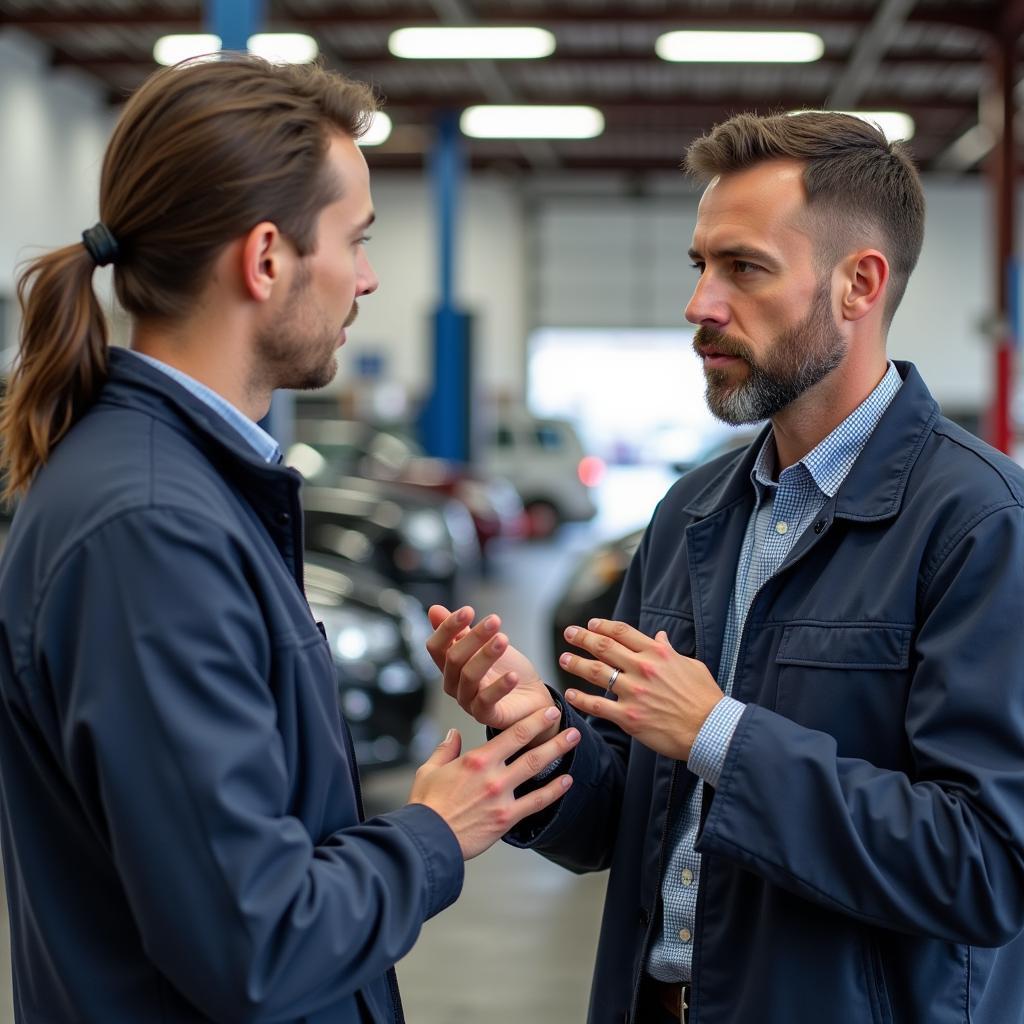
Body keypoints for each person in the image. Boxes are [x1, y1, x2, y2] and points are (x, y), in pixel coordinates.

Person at [0, 55, 579, 1024]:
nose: (366, 275)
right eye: (354, 238)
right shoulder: (152, 529)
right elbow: (254, 942)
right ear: (266, 257)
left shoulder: (180, 489)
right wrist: (434, 830)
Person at [427, 110, 1024, 1023]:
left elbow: (984, 867)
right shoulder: (691, 515)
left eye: (743, 267)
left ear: (857, 284)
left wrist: (721, 734)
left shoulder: (979, 524)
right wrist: (540, 730)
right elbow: (624, 823)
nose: (700, 304)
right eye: (700, 265)